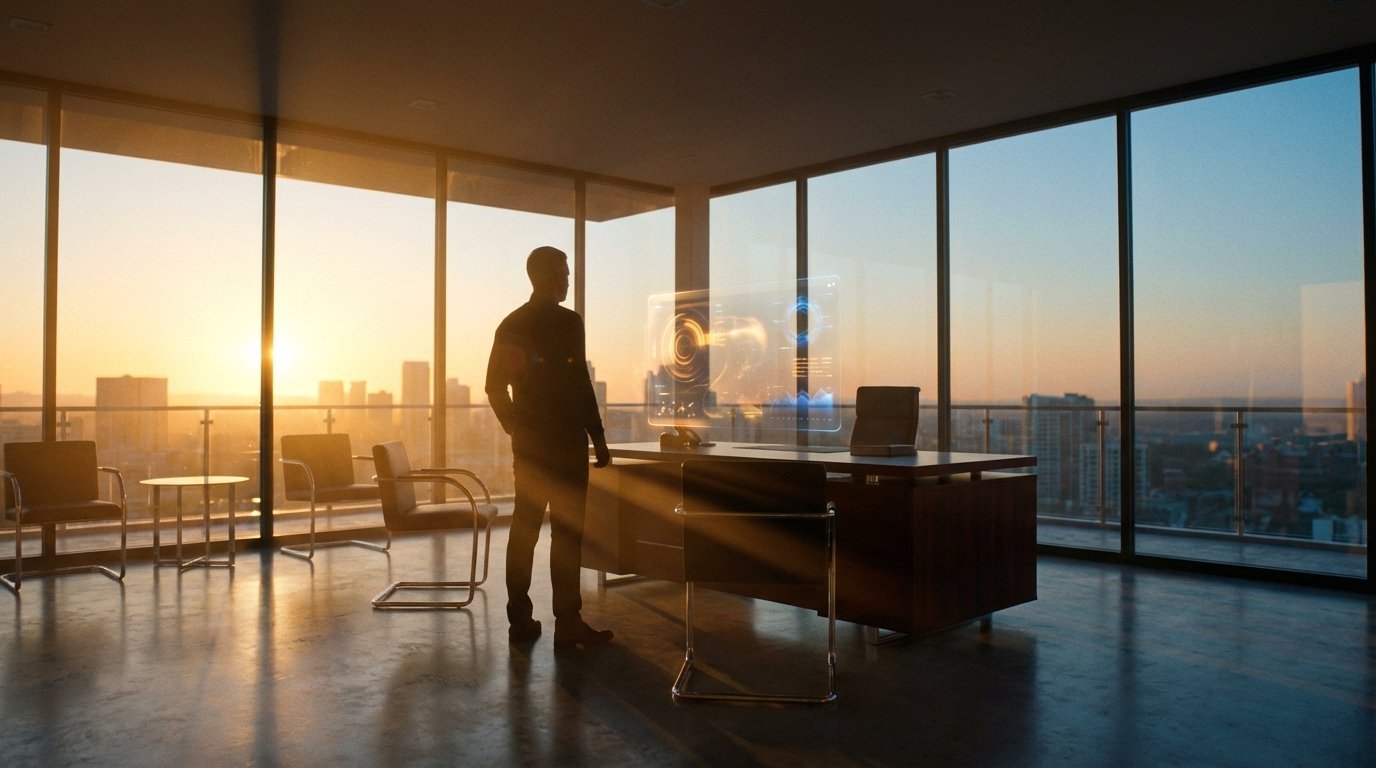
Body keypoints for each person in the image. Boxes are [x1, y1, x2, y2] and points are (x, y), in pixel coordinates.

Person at [485, 245, 614, 648]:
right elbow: (579, 385)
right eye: (565, 272)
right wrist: (598, 437)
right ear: (550, 276)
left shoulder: (511, 323)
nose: (569, 279)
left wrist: (515, 428)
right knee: (567, 534)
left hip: (531, 449)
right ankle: (568, 623)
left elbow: (493, 386)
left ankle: (519, 619)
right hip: (566, 445)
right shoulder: (569, 323)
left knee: (524, 530)